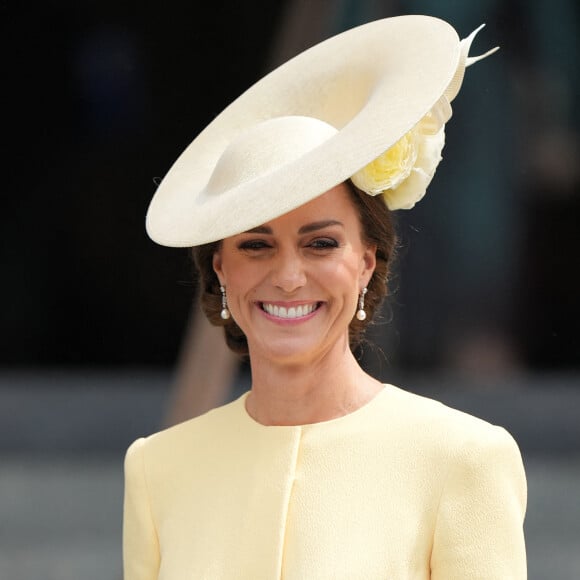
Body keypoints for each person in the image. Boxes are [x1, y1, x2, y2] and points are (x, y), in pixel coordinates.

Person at [123, 15, 527, 579]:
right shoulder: (156, 470)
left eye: (319, 244)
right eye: (256, 246)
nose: (289, 276)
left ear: (366, 262)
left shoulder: (462, 460)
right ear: (220, 271)